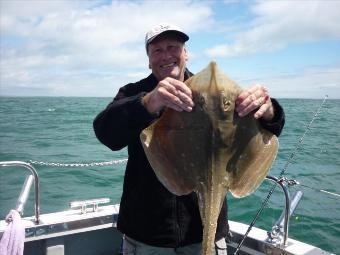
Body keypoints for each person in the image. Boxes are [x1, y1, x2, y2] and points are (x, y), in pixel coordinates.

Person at [93, 23, 285, 255]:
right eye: (157, 50)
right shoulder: (134, 92)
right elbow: (106, 133)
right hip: (148, 233)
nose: (166, 55)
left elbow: (270, 128)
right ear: (149, 59)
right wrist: (149, 102)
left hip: (204, 233)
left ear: (185, 53)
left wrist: (269, 109)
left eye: (173, 47)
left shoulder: (215, 92)